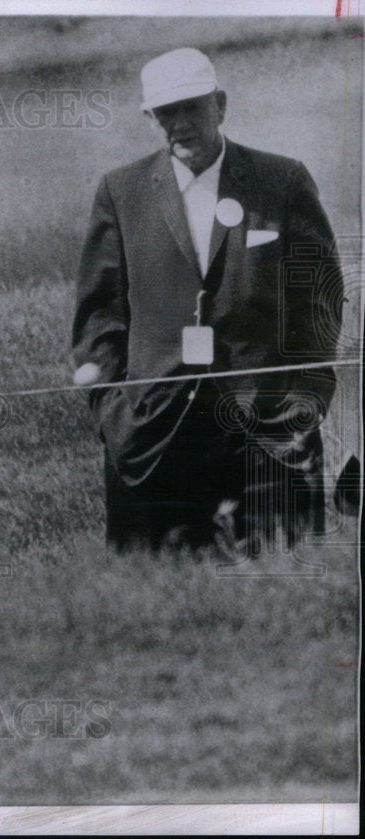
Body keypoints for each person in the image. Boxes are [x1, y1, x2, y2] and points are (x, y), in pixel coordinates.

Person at [72, 48, 344, 555]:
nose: (179, 124)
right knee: (156, 601)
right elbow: (99, 318)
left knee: (277, 585)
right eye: (165, 113)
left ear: (220, 105)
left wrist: (306, 400)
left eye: (191, 108)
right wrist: (112, 416)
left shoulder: (281, 182)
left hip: (270, 431)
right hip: (152, 438)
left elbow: (320, 303)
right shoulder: (121, 191)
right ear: (151, 118)